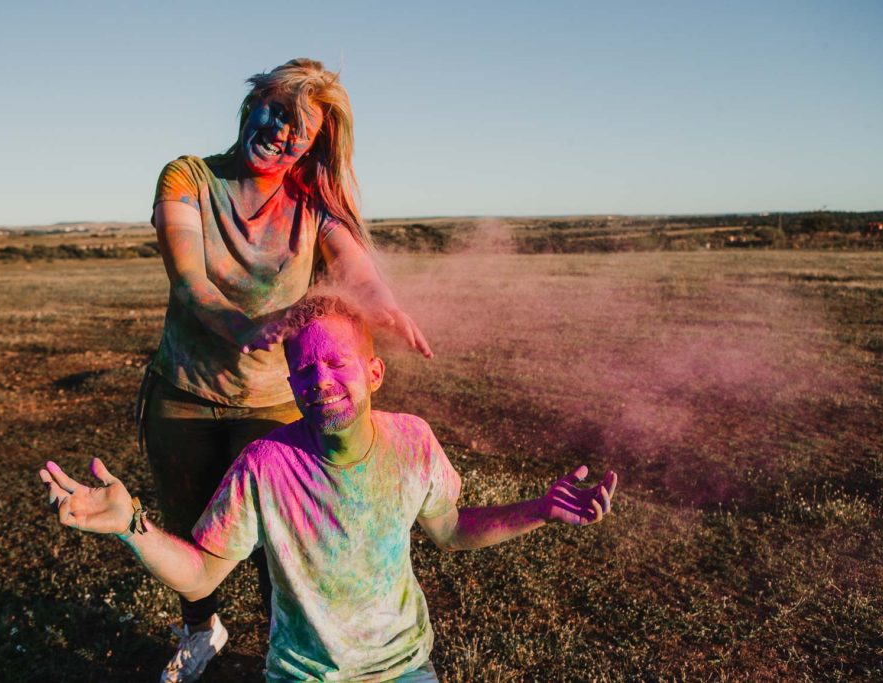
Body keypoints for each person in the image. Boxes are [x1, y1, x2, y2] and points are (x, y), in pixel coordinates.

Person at [41, 295, 618, 682]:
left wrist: (540, 509)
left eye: (336, 362)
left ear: (373, 372)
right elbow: (200, 574)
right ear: (290, 382)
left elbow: (452, 528)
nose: (321, 381)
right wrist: (131, 526)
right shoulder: (265, 466)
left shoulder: (413, 443)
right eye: (305, 370)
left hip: (404, 668)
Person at [139, 58, 432, 681]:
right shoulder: (189, 177)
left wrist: (387, 307)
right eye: (275, 110)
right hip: (184, 393)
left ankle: (288, 647)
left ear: (313, 145)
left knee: (284, 540)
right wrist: (246, 326)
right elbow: (189, 281)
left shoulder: (310, 200)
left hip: (276, 398)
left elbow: (355, 271)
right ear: (251, 103)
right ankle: (200, 629)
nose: (280, 132)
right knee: (191, 528)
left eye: (299, 130)